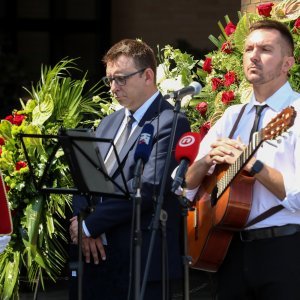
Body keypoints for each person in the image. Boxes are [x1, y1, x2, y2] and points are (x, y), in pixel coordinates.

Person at [185, 19, 300, 300]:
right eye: (248, 48)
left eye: (265, 49)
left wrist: (253, 164)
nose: (254, 56)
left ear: (288, 63)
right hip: (228, 249)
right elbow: (186, 187)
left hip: (284, 249)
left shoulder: (296, 113)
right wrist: (206, 161)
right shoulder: (231, 116)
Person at [69, 39, 190, 300]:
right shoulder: (108, 123)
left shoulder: (170, 122)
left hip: (141, 260)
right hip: (96, 258)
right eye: (109, 80)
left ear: (148, 75)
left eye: (121, 79)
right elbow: (84, 178)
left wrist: (91, 225)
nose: (113, 87)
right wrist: (83, 221)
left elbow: (147, 188)